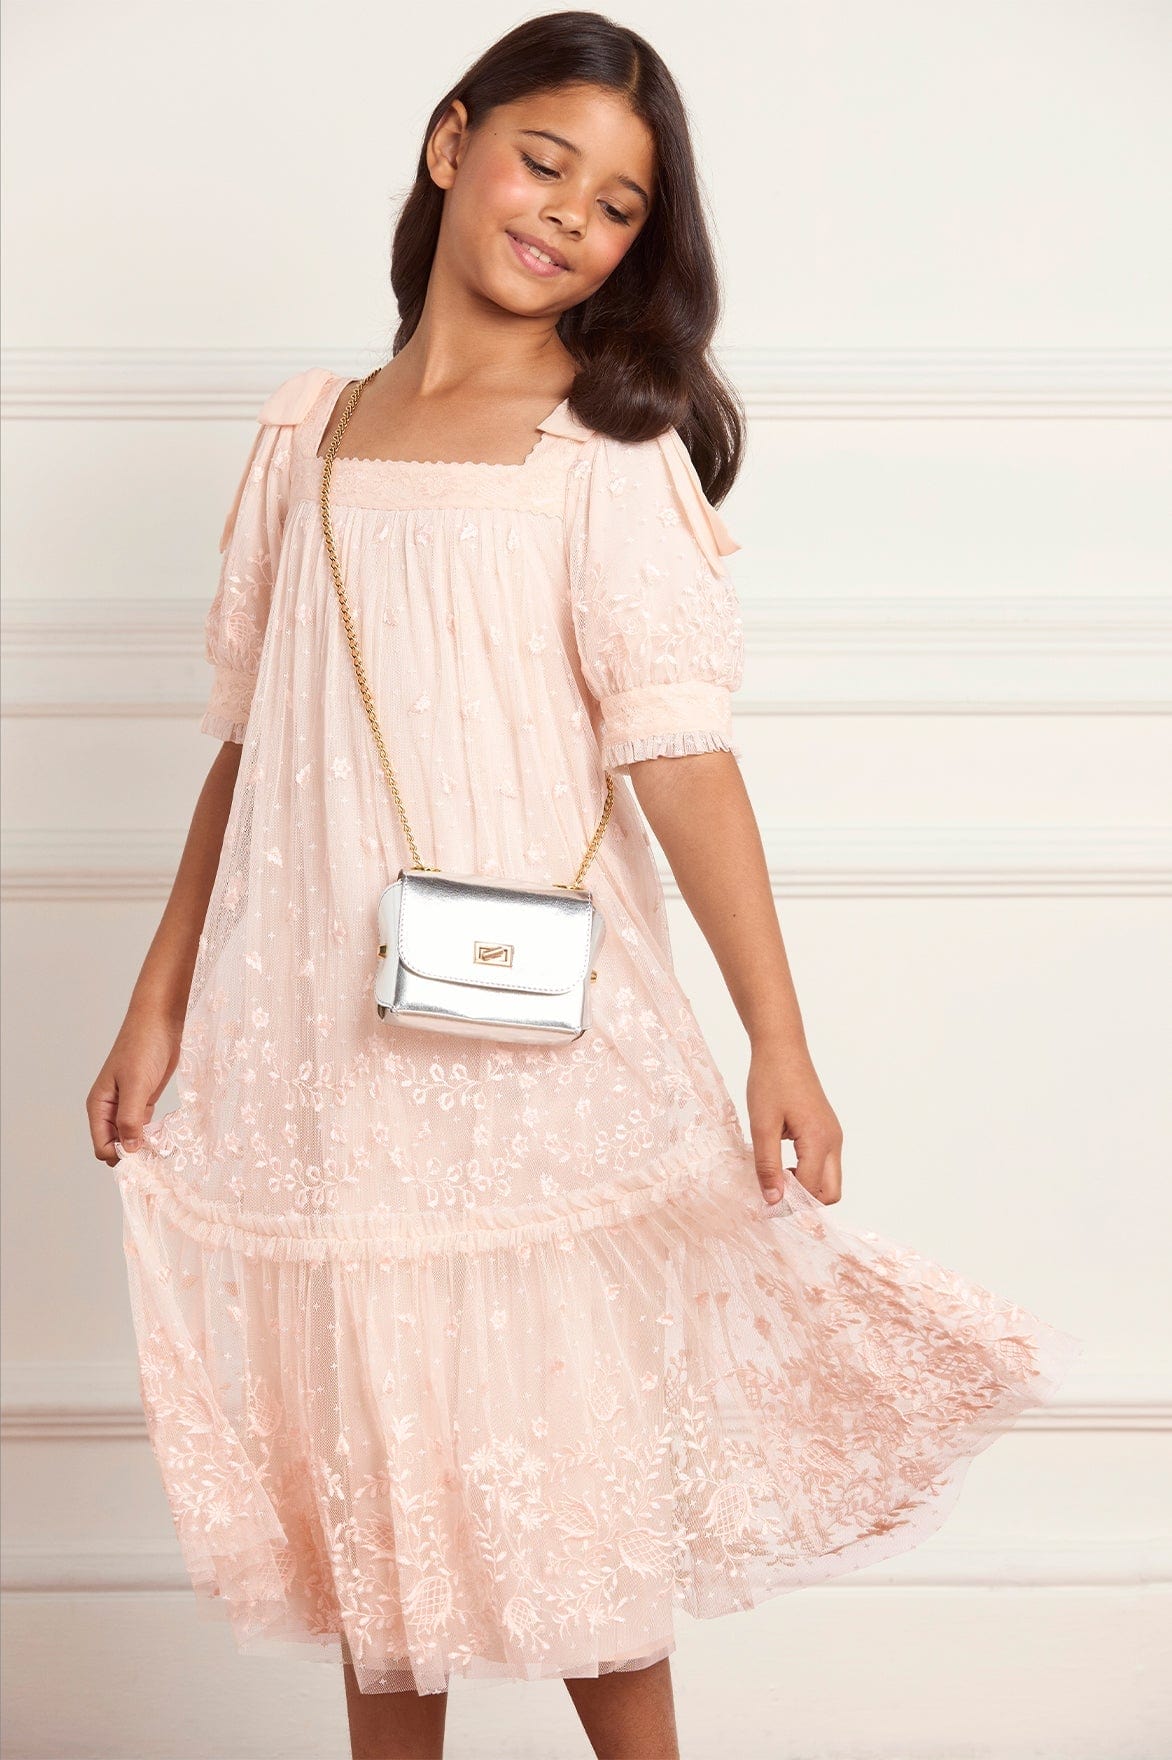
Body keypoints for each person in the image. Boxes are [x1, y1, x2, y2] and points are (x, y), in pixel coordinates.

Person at [87, 14, 1081, 1759]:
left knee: (569, 1506)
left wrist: (780, 1038)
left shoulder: (605, 455)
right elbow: (249, 748)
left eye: (618, 206)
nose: (569, 216)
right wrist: (158, 996)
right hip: (326, 1046)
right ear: (451, 143)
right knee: (387, 1507)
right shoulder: (309, 436)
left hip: (537, 1064)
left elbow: (682, 761)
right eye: (545, 163)